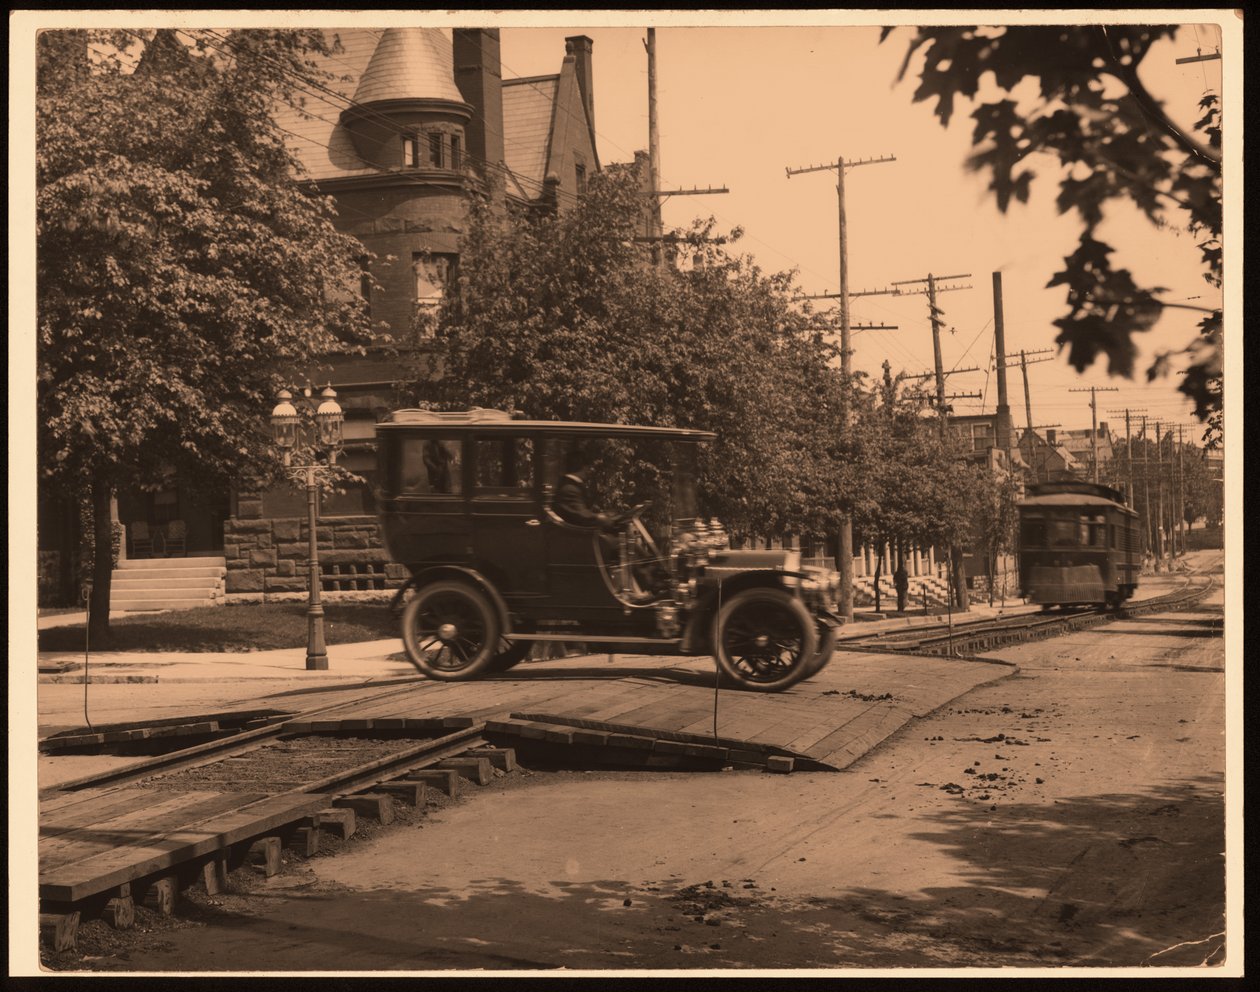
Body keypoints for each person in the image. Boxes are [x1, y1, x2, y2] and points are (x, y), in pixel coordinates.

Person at [554, 443, 653, 600]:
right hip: (578, 541)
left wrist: (607, 516)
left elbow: (582, 513)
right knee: (624, 541)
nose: (589, 471)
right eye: (588, 468)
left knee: (625, 537)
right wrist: (604, 519)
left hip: (580, 537)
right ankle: (647, 583)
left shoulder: (570, 487)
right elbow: (581, 516)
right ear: (583, 467)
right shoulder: (569, 489)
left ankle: (641, 582)